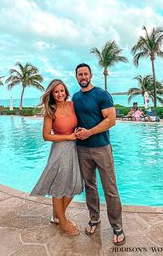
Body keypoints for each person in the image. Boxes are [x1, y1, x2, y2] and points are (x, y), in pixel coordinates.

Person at [72, 63, 125, 246]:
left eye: (85, 73)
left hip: (101, 147)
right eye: (80, 74)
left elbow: (111, 120)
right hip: (82, 149)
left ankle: (117, 226)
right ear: (76, 77)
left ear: (91, 75)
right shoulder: (76, 97)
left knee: (110, 189)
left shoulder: (102, 95)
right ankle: (94, 218)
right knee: (90, 187)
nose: (83, 76)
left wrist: (89, 132)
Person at [30, 79, 83, 236]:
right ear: (52, 94)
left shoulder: (72, 105)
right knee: (59, 185)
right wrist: (68, 137)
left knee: (75, 184)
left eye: (62, 91)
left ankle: (57, 216)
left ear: (66, 91)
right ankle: (62, 221)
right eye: (56, 91)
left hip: (74, 148)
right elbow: (46, 136)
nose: (60, 94)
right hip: (60, 150)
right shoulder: (50, 111)